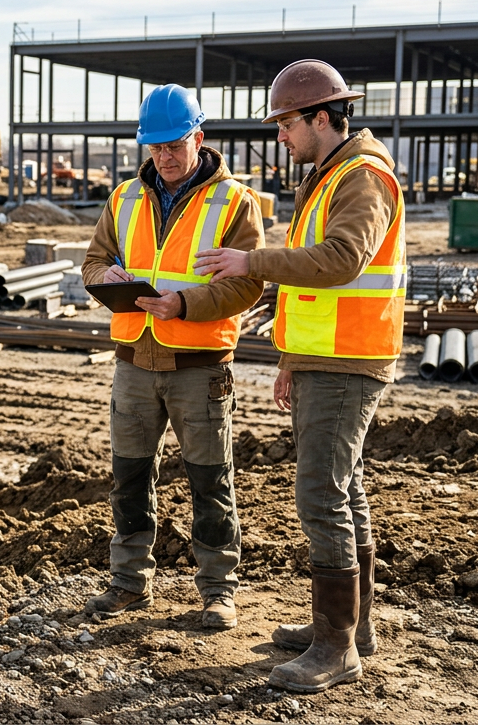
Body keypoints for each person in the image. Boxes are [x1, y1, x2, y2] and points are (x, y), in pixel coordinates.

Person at [194, 59, 406, 693]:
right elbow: (313, 279)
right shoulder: (329, 174)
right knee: (346, 489)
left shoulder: (362, 177)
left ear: (320, 117)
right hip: (324, 356)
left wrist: (251, 261)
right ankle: (354, 629)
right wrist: (290, 358)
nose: (280, 136)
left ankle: (335, 648)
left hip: (348, 359)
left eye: (286, 124)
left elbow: (341, 260)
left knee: (321, 495)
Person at [82, 84, 266, 629]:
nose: (164, 157)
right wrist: (107, 278)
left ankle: (218, 590)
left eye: (174, 145)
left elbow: (248, 284)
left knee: (210, 480)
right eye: (156, 147)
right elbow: (93, 263)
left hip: (199, 366)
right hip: (133, 363)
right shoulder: (124, 198)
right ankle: (129, 582)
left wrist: (183, 304)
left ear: (198, 139)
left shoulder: (235, 202)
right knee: (129, 477)